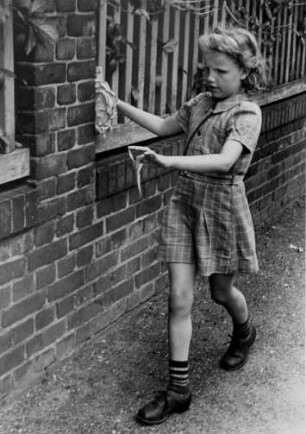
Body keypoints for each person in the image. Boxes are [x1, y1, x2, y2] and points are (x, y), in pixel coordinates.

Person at [113, 26, 268, 425]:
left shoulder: (247, 113)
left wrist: (168, 163)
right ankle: (178, 390)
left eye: (221, 71)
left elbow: (224, 160)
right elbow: (165, 127)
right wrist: (116, 104)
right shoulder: (200, 103)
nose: (211, 78)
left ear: (245, 73)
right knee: (178, 299)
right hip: (185, 205)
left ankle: (245, 331)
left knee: (221, 291)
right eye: (208, 69)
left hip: (221, 209)